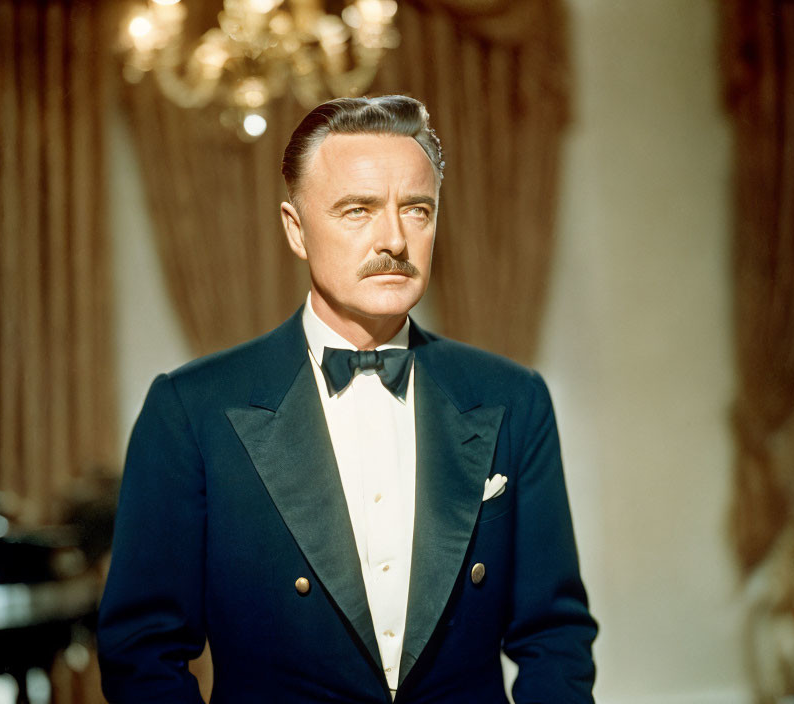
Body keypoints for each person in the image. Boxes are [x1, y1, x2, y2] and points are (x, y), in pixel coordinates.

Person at [97, 95, 597, 703]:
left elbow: (555, 636)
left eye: (417, 209)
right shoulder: (191, 410)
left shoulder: (513, 398)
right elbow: (143, 652)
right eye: (357, 210)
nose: (394, 238)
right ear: (295, 229)